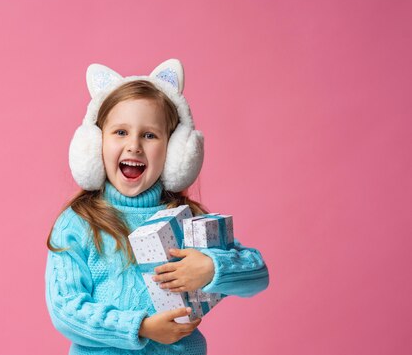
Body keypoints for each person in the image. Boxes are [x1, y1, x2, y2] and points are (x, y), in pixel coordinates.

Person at [45, 59, 269, 354]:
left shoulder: (187, 222)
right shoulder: (78, 223)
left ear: (176, 151)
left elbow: (258, 275)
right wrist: (141, 327)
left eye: (150, 135)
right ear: (95, 143)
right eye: (120, 132)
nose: (134, 145)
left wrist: (211, 267)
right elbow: (65, 309)